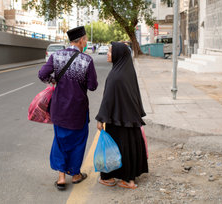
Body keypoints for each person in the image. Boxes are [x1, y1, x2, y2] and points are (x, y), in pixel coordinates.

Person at [38, 26, 98, 191]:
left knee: (60, 140)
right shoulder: (86, 60)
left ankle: (61, 177)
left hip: (59, 108)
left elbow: (42, 74)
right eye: (85, 39)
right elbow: (93, 86)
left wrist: (54, 81)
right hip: (78, 109)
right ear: (80, 41)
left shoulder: (56, 56)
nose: (86, 42)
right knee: (78, 141)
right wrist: (81, 82)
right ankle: (76, 175)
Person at [96, 42, 148, 189]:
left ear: (118, 55)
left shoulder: (115, 76)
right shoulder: (128, 71)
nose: (108, 53)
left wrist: (101, 118)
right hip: (130, 119)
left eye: (111, 51)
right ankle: (129, 180)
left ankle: (109, 178)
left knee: (115, 148)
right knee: (129, 147)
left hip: (116, 119)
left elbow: (107, 100)